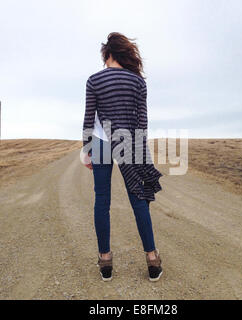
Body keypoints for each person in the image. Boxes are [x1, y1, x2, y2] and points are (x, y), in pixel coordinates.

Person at [82, 32, 163, 282]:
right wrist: (141, 152)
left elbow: (89, 117)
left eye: (104, 57)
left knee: (102, 201)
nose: (103, 61)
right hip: (129, 144)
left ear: (109, 54)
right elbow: (142, 122)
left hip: (102, 143)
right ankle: (152, 259)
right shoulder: (138, 82)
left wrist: (86, 149)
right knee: (138, 199)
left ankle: (105, 260)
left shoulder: (94, 80)